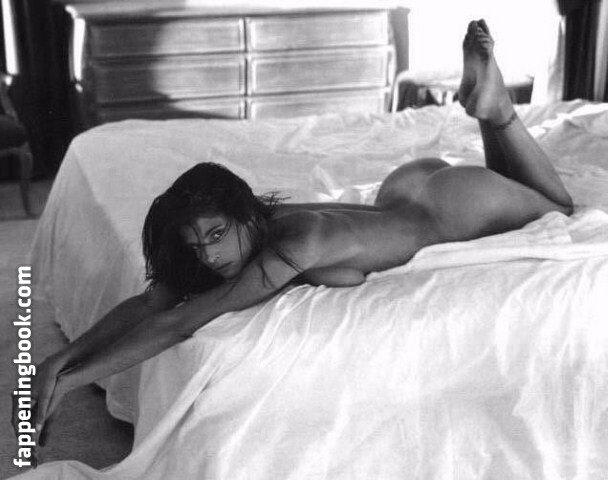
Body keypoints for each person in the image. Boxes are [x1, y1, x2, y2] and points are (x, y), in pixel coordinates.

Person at [15, 19, 572, 464]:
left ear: (241, 215)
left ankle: (497, 114)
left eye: (216, 234)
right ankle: (491, 112)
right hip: (408, 190)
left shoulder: (293, 243)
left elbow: (181, 321)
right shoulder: (256, 227)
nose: (210, 255)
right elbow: (154, 300)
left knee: (558, 209)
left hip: (448, 206)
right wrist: (59, 360)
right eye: (197, 244)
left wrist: (74, 382)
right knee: (521, 196)